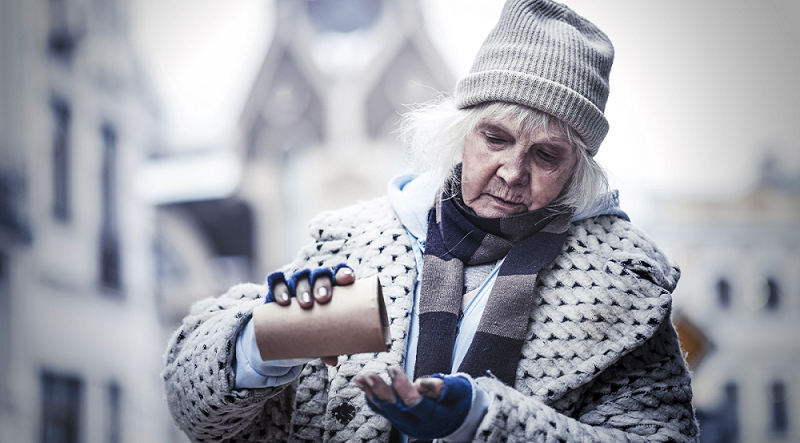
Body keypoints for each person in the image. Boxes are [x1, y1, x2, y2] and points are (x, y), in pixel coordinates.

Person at [162, 1, 699, 442]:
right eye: (496, 138)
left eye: (546, 155)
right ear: (459, 133)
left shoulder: (623, 287)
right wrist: (262, 341)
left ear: (578, 169)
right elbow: (203, 415)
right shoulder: (356, 239)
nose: (512, 172)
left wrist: (481, 421)